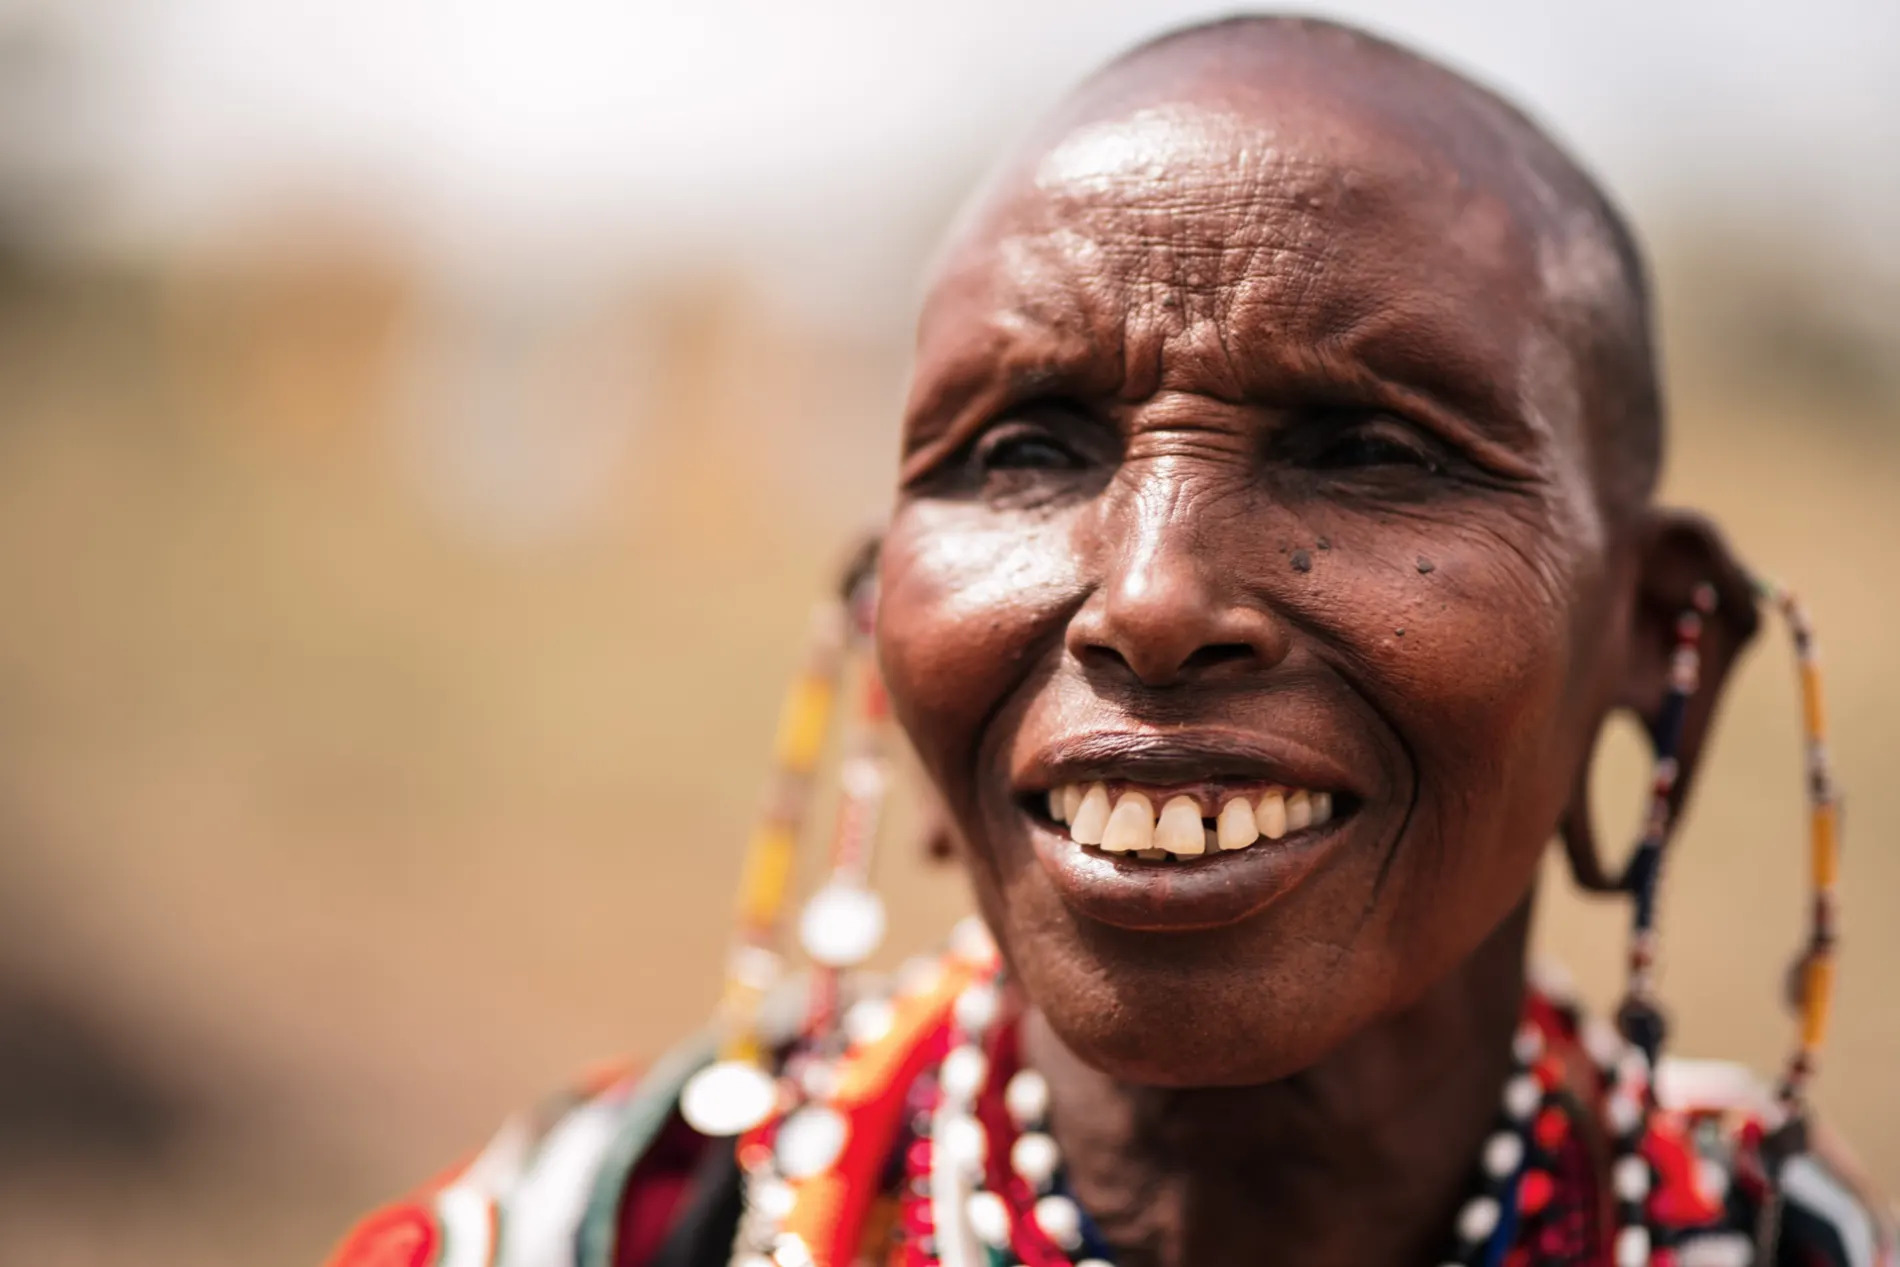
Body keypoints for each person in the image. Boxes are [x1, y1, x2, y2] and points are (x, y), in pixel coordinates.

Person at [324, 16, 1892, 1267]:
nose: (1149, 601)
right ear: (891, 630)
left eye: (1363, 449)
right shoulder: (594, 1235)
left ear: (1655, 640)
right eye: (1025, 451)